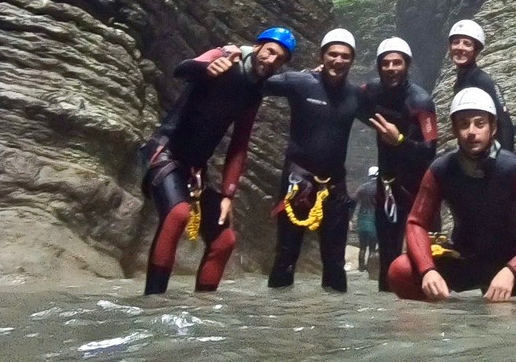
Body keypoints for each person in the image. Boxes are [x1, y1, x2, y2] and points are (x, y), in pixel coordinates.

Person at [139, 27, 295, 295]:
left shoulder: (253, 93)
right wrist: (208, 68)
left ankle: (204, 309)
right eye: (269, 52)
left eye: (279, 59)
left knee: (224, 240)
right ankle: (153, 302)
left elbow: (239, 144)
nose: (271, 61)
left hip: (195, 169)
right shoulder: (225, 55)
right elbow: (182, 70)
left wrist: (228, 194)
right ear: (258, 46)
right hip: (166, 152)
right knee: (178, 214)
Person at [207, 27, 361, 292]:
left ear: (352, 60)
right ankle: (277, 320)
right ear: (322, 55)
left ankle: (335, 326)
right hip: (297, 182)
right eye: (332, 54)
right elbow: (257, 79)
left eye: (345, 56)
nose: (338, 60)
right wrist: (235, 54)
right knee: (286, 256)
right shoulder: (300, 83)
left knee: (335, 262)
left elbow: (384, 109)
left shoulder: (357, 95)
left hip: (335, 186)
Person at [387, 88, 516, 302]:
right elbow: (416, 223)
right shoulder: (441, 169)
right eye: (463, 124)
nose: (471, 131)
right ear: (455, 130)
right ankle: (437, 327)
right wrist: (428, 270)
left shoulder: (513, 169)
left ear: (493, 128)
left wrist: (512, 269)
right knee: (400, 269)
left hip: (512, 262)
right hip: (465, 259)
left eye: (479, 123)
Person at [359, 37, 438, 292]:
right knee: (388, 256)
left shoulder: (421, 102)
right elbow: (346, 98)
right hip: (388, 186)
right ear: (379, 66)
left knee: (424, 255)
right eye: (386, 63)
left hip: (418, 189)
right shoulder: (371, 92)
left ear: (407, 65)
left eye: (397, 62)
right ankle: (387, 314)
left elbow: (429, 150)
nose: (391, 68)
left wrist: (399, 141)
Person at [448, 19, 515, 151]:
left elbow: (504, 122)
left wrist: (506, 159)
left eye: (467, 44)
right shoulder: (460, 82)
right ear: (449, 48)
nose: (460, 48)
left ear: (476, 50)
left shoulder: (483, 81)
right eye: (456, 43)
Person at [352, 166, 379, 271]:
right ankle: (370, 267)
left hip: (362, 218)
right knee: (372, 247)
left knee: (362, 247)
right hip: (374, 219)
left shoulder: (362, 188)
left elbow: (354, 200)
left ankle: (361, 267)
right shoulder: (380, 188)